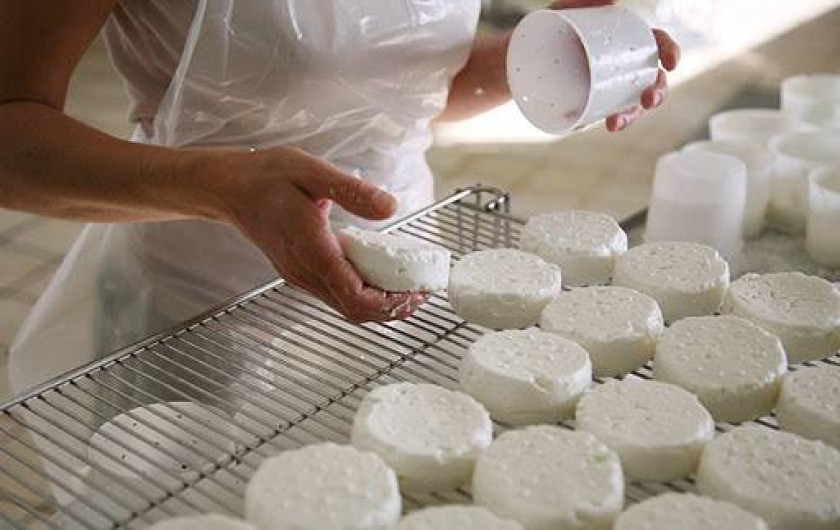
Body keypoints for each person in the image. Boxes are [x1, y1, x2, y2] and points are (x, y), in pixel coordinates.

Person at [0, 0, 679, 395]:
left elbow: (399, 90)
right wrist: (225, 190)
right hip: (204, 310)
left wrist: (538, 61)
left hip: (407, 282)